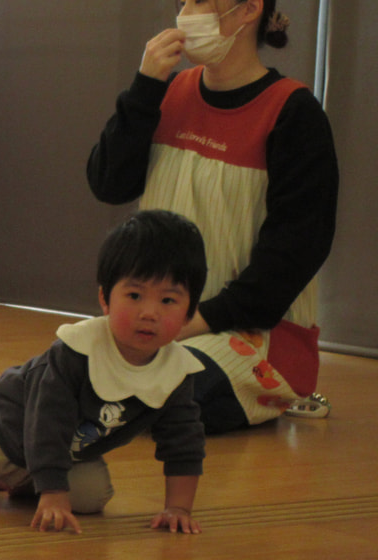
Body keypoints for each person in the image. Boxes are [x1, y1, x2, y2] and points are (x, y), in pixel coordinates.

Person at [86, 0, 338, 434]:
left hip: (252, 334)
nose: (187, 11)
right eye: (184, 1)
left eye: (202, 0)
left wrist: (188, 322)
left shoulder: (294, 113)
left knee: (160, 395)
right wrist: (144, 88)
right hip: (159, 320)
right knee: (64, 370)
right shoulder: (167, 92)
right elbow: (109, 184)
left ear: (248, 10)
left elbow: (296, 251)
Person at [0, 210, 208, 535]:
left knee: (91, 498)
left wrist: (178, 508)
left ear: (189, 313)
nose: (149, 313)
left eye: (168, 300)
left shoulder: (177, 372)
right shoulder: (76, 351)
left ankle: (29, 478)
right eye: (134, 296)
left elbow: (184, 443)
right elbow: (47, 422)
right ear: (105, 299)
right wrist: (54, 494)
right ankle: (12, 473)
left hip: (66, 450)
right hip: (7, 426)